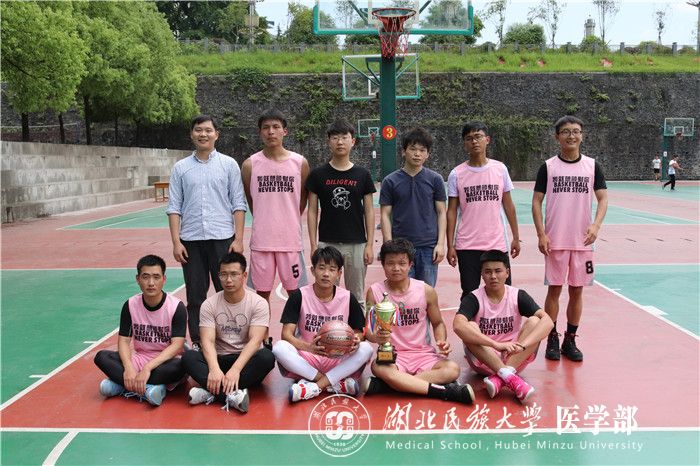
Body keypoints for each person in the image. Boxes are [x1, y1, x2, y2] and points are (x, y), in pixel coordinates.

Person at [167, 115, 247, 349]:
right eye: (198, 130)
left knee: (228, 290)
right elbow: (174, 206)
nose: (203, 134)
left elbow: (238, 203)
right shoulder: (181, 168)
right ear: (192, 134)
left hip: (223, 238)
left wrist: (239, 239)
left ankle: (232, 339)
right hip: (190, 240)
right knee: (195, 295)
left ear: (216, 134)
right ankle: (198, 341)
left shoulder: (229, 164)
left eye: (208, 130)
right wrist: (176, 242)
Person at [532, 116, 608, 362]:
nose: (571, 136)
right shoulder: (548, 167)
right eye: (565, 131)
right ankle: (552, 337)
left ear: (582, 136)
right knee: (554, 290)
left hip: (583, 242)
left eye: (576, 131)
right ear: (557, 137)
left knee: (577, 292)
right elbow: (536, 201)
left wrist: (596, 225)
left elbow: (603, 198)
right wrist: (541, 234)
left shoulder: (592, 166)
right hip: (555, 241)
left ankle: (570, 339)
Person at [363, 239, 474, 404]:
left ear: (410, 265)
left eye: (402, 263)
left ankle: (391, 385)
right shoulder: (374, 292)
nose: (396, 268)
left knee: (452, 369)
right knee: (378, 367)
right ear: (383, 265)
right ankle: (444, 391)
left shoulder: (426, 290)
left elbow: (438, 323)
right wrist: (377, 337)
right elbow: (368, 330)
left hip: (423, 354)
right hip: (393, 356)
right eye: (390, 263)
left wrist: (441, 340)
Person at [272, 246, 373, 402]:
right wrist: (309, 347)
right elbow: (286, 334)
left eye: (332, 269)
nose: (326, 274)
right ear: (313, 270)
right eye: (321, 268)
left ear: (339, 273)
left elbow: (359, 332)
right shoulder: (299, 295)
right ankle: (333, 383)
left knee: (366, 348)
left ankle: (313, 386)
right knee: (279, 347)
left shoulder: (347, 297)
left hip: (338, 357)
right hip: (309, 357)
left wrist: (356, 340)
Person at [453, 250, 553, 403]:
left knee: (535, 321)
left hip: (514, 357)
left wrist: (522, 346)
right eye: (488, 272)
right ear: (482, 274)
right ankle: (510, 377)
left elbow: (548, 322)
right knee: (470, 326)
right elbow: (458, 326)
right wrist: (495, 344)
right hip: (483, 361)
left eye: (498, 271)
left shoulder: (517, 295)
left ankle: (502, 377)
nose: (493, 276)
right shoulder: (473, 298)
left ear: (507, 273)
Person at [182, 252, 275, 413]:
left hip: (244, 361)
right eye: (224, 275)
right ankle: (233, 395)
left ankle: (209, 392)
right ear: (218, 276)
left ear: (244, 275)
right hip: (218, 358)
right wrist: (214, 369)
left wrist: (236, 370)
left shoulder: (258, 303)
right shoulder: (209, 304)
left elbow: (255, 341)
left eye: (234, 274)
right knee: (188, 357)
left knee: (267, 358)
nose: (228, 280)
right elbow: (207, 341)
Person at [94, 255, 186, 406]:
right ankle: (150, 388)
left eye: (156, 277)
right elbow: (124, 341)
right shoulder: (130, 305)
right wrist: (128, 368)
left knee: (183, 365)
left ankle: (122, 385)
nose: (151, 283)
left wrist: (148, 368)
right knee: (101, 357)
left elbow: (177, 345)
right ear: (138, 279)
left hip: (165, 361)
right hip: (140, 358)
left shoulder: (176, 307)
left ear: (164, 279)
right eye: (145, 277)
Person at [242, 109, 310, 304]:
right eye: (266, 128)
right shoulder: (250, 165)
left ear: (284, 131)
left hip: (290, 241)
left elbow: (302, 199)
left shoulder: (300, 163)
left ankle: (294, 326)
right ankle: (263, 327)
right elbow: (251, 200)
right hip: (262, 242)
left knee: (296, 295)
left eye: (276, 127)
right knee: (261, 296)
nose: (271, 131)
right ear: (260, 132)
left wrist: (288, 218)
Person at [446, 122, 520, 300]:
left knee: (502, 293)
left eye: (478, 137)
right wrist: (450, 245)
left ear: (487, 140)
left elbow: (509, 205)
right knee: (469, 294)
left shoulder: (500, 169)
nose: (474, 141)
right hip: (467, 245)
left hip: (496, 243)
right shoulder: (456, 174)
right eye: (469, 138)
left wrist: (516, 237)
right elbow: (451, 212)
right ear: (465, 144)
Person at [306, 119, 376, 309]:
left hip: (356, 243)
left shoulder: (362, 174)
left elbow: (369, 211)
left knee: (357, 297)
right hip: (327, 242)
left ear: (353, 141)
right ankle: (328, 328)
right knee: (326, 293)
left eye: (344, 137)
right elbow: (312, 211)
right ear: (328, 141)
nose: (340, 142)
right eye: (335, 137)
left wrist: (370, 244)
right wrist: (313, 245)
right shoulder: (318, 175)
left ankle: (357, 328)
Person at [380, 127, 446, 287]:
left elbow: (441, 212)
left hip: (428, 247)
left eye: (422, 150)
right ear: (404, 151)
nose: (417, 154)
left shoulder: (435, 179)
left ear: (428, 154)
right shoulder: (390, 181)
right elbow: (385, 214)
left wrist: (440, 244)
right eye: (413, 149)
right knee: (401, 292)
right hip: (400, 247)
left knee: (426, 292)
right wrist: (389, 245)